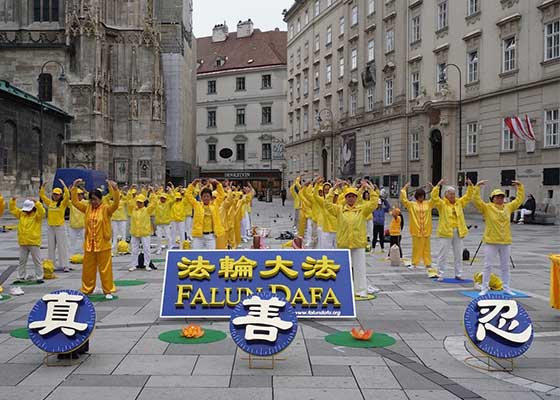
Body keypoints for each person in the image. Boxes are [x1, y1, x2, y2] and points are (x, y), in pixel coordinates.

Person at [324, 179, 380, 298]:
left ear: (356, 197)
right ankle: (343, 289)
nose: (350, 198)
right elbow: (327, 204)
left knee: (360, 268)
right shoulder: (339, 209)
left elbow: (374, 203)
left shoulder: (362, 209)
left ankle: (360, 290)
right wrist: (333, 189)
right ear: (345, 198)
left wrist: (369, 189)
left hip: (358, 243)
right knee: (343, 268)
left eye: (353, 196)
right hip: (343, 243)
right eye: (348, 196)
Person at [472, 179, 524, 296]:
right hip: (491, 241)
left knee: (505, 266)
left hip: (505, 241)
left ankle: (506, 287)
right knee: (488, 265)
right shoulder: (487, 207)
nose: (500, 199)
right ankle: (484, 287)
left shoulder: (508, 207)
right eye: (497, 197)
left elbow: (518, 201)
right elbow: (476, 201)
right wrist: (477, 188)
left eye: (501, 197)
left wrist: (520, 188)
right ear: (492, 198)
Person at [71, 180, 120, 299]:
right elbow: (75, 202)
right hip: (90, 244)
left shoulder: (106, 209)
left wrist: (115, 190)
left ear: (100, 199)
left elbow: (116, 205)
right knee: (88, 269)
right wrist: (74, 187)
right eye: (91, 200)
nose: (93, 202)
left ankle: (108, 290)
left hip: (103, 244)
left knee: (105, 269)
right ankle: (87, 289)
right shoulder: (87, 208)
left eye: (95, 199)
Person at [431, 179, 474, 281]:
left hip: (458, 231)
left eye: (453, 194)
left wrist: (470, 186)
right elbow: (434, 197)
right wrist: (437, 186)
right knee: (443, 254)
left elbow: (468, 197)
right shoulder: (442, 204)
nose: (452, 196)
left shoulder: (459, 203)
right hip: (446, 232)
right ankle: (440, 273)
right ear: (446, 195)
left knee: (458, 254)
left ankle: (458, 274)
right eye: (450, 194)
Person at [9, 197, 46, 282]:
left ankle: (39, 276)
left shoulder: (37, 216)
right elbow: (13, 210)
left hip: (34, 242)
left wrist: (37, 202)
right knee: (22, 260)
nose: (26, 211)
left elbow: (42, 211)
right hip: (23, 241)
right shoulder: (22, 214)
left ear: (33, 208)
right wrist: (13, 201)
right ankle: (21, 276)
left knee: (37, 260)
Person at [400, 183, 434, 270]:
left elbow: (435, 199)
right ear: (417, 196)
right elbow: (404, 200)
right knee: (416, 248)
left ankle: (428, 263)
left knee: (427, 248)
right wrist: (404, 189)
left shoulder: (428, 204)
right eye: (419, 196)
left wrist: (434, 189)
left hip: (426, 229)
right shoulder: (412, 205)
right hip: (416, 229)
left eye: (422, 196)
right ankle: (414, 263)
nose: (421, 198)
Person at [185, 178, 225, 249]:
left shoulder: (215, 205)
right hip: (198, 236)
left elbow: (222, 195)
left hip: (211, 236)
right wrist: (193, 184)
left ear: (210, 197)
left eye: (208, 196)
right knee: (196, 255)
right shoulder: (197, 205)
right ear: (201, 197)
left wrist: (217, 183)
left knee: (211, 255)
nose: (206, 198)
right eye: (204, 196)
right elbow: (188, 195)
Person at [40, 180, 71, 272]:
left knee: (62, 247)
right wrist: (43, 186)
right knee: (51, 247)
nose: (55, 196)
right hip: (50, 227)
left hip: (60, 227)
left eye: (57, 194)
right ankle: (51, 264)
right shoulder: (50, 203)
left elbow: (68, 196)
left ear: (61, 195)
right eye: (54, 194)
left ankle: (65, 265)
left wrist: (64, 186)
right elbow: (42, 196)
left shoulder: (63, 203)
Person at [127, 190, 157, 271]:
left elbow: (154, 203)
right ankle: (134, 264)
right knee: (134, 249)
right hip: (134, 232)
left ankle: (147, 264)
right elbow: (128, 202)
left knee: (146, 249)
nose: (139, 204)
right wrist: (131, 193)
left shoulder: (147, 210)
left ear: (144, 203)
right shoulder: (133, 210)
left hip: (145, 233)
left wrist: (152, 193)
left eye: (141, 202)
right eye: (138, 202)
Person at [68, 188, 87, 255]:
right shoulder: (71, 203)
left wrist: (86, 192)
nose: (79, 196)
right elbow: (65, 199)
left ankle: (86, 254)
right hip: (73, 226)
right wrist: (69, 192)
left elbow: (91, 199)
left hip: (83, 226)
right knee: (72, 242)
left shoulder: (85, 202)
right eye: (77, 195)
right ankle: (71, 255)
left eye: (80, 194)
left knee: (85, 241)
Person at [110, 186, 128, 254]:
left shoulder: (123, 202)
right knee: (115, 234)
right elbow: (107, 198)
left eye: (120, 196)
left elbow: (128, 200)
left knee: (123, 234)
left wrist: (123, 193)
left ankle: (124, 247)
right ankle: (114, 246)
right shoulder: (112, 203)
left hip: (122, 219)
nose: (119, 198)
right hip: (114, 219)